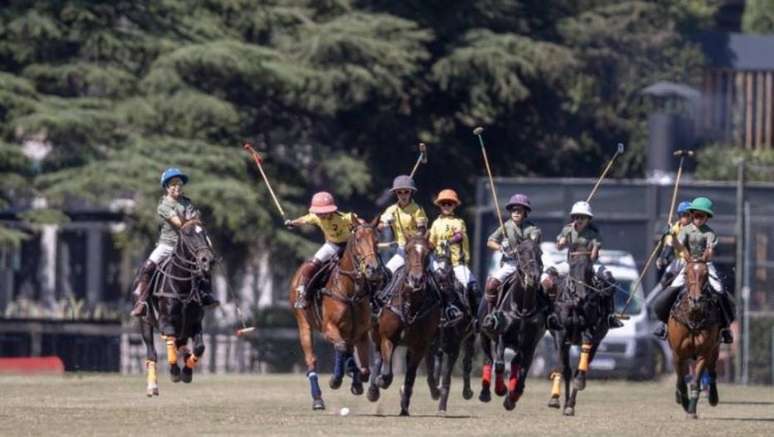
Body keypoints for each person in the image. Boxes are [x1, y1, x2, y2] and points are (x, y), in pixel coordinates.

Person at [130, 168, 219, 317]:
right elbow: (180, 223)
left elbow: (196, 222)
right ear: (166, 187)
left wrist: (203, 236)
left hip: (187, 245)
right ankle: (142, 302)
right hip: (167, 245)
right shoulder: (163, 206)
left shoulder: (187, 202)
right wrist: (193, 221)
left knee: (206, 262)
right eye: (173, 184)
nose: (177, 187)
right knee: (147, 267)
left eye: (179, 184)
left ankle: (206, 294)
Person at [651, 197, 735, 344]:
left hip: (705, 264)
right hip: (688, 264)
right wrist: (672, 236)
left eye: (701, 216)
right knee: (672, 288)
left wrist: (703, 258)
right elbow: (678, 247)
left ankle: (725, 327)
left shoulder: (710, 233)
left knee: (719, 289)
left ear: (707, 218)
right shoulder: (685, 231)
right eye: (695, 215)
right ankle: (664, 323)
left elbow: (710, 251)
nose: (697, 218)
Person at [285, 192, 360, 309]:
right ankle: (302, 294)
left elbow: (358, 221)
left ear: (331, 210)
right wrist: (292, 223)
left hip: (349, 246)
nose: (320, 215)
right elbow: (304, 219)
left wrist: (363, 225)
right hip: (332, 245)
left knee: (366, 266)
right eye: (318, 212)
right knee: (311, 265)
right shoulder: (316, 217)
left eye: (323, 212)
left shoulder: (344, 217)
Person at [554, 201, 622, 329]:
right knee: (548, 277)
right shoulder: (567, 230)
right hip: (570, 264)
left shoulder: (593, 233)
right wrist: (562, 241)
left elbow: (594, 257)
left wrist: (593, 250)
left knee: (609, 279)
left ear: (588, 219)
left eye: (582, 217)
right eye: (576, 217)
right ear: (573, 218)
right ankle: (550, 313)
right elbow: (558, 247)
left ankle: (610, 315)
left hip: (589, 265)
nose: (579, 220)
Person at [484, 194, 542, 317]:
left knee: (545, 286)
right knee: (491, 285)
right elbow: (490, 241)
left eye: (519, 210)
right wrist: (501, 247)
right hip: (510, 264)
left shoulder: (532, 228)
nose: (515, 212)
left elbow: (534, 240)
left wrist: (518, 247)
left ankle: (546, 316)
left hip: (527, 265)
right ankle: (490, 315)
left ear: (525, 212)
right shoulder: (505, 227)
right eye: (513, 210)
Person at [428, 189, 478, 324]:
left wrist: (448, 241)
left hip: (457, 262)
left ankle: (475, 319)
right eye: (443, 203)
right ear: (440, 205)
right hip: (438, 261)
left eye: (450, 204)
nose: (446, 206)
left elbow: (459, 235)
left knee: (472, 287)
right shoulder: (435, 223)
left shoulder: (458, 222)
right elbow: (431, 243)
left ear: (455, 205)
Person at [650, 201, 691, 339]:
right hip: (679, 261)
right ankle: (662, 321)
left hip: (694, 261)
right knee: (666, 281)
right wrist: (662, 258)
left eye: (689, 215)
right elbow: (668, 247)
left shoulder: (695, 229)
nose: (687, 217)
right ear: (679, 216)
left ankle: (723, 325)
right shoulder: (674, 229)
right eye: (684, 215)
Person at [378, 175, 428, 274]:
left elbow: (422, 229)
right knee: (386, 273)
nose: (403, 195)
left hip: (417, 249)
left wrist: (413, 237)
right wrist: (385, 223)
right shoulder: (391, 210)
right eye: (399, 192)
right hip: (402, 250)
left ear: (411, 192)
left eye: (406, 192)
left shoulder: (417, 209)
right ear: (396, 193)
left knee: (435, 273)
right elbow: (379, 227)